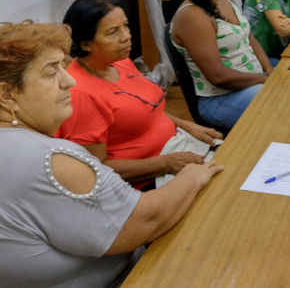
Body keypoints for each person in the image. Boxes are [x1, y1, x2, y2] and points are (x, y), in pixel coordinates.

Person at [0, 20, 223, 288]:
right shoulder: (51, 159)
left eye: (63, 66)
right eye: (51, 73)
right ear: (7, 95)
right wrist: (192, 176)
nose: (69, 80)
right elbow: (144, 221)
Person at [57, 0, 224, 190]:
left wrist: (186, 125)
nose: (127, 35)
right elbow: (95, 168)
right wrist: (166, 163)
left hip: (177, 147)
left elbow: (145, 109)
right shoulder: (81, 94)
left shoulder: (119, 61)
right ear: (86, 43)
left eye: (125, 26)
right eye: (113, 32)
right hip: (147, 179)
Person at [172, 0, 275, 130]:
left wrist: (268, 68)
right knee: (280, 104)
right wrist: (265, 79)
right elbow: (217, 76)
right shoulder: (192, 15)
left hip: (251, 81)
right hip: (219, 99)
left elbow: (249, 37)